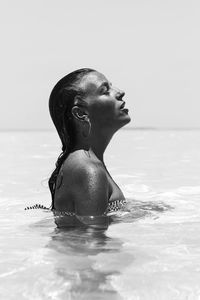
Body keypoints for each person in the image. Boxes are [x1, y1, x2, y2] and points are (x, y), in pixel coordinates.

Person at [48, 68, 131, 226]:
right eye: (105, 91)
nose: (120, 92)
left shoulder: (82, 163)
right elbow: (91, 242)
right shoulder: (88, 169)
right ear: (80, 114)